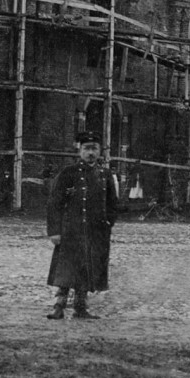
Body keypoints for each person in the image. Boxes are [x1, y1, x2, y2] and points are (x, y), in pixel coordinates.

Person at [45, 131, 118, 320]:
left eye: (94, 149)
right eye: (87, 149)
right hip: (71, 230)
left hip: (95, 232)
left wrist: (108, 223)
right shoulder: (68, 173)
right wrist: (54, 231)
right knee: (66, 268)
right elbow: (55, 203)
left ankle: (80, 308)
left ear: (100, 151)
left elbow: (112, 203)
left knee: (88, 268)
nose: (91, 153)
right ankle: (58, 306)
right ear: (80, 150)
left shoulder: (105, 175)